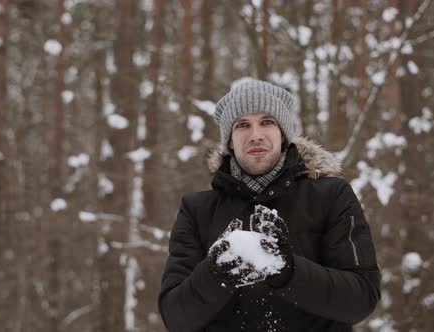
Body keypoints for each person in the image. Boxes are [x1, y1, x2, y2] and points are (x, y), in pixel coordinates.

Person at [158, 79, 381, 331]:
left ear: (283, 133)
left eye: (267, 122)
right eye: (242, 125)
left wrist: (289, 271)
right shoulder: (197, 210)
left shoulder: (331, 196)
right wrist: (214, 274)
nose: (256, 135)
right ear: (230, 140)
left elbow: (362, 298)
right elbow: (175, 318)